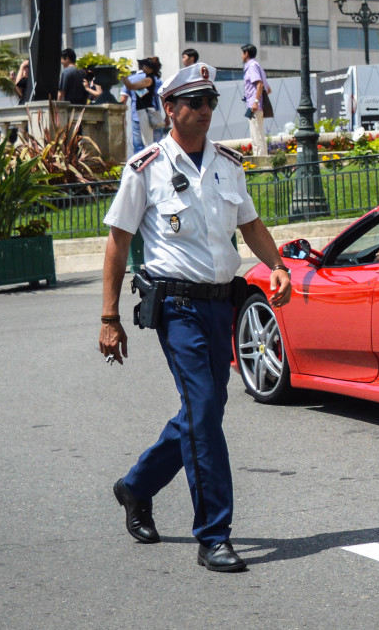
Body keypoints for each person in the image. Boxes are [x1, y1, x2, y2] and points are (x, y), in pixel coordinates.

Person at [98, 62, 292, 573]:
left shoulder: (228, 164)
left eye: (210, 102)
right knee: (204, 409)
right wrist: (108, 316)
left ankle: (136, 486)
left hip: (219, 304)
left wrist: (276, 266)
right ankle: (214, 534)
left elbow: (249, 224)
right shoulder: (146, 168)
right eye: (194, 103)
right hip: (177, 307)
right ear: (170, 109)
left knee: (201, 414)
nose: (206, 111)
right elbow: (118, 242)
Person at [123, 57, 167, 152]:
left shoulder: (148, 79)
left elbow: (130, 86)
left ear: (150, 68)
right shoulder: (150, 79)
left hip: (145, 112)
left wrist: (123, 76)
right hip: (145, 110)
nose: (143, 67)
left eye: (145, 65)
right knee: (148, 140)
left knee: (147, 142)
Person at [241, 44, 269, 152]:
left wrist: (255, 101)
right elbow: (267, 88)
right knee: (257, 133)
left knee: (256, 135)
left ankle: (260, 160)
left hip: (254, 106)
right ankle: (261, 157)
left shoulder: (252, 66)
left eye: (242, 53)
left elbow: (260, 84)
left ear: (246, 53)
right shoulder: (257, 66)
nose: (241, 56)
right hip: (253, 104)